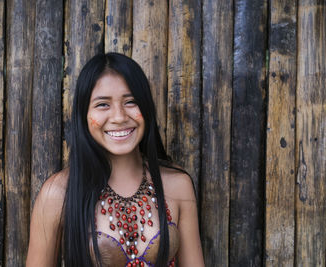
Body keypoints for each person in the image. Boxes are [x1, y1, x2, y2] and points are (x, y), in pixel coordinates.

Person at [26, 53, 204, 266]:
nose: (119, 117)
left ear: (146, 108)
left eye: (131, 102)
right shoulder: (57, 194)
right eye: (103, 104)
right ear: (83, 115)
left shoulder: (177, 185)